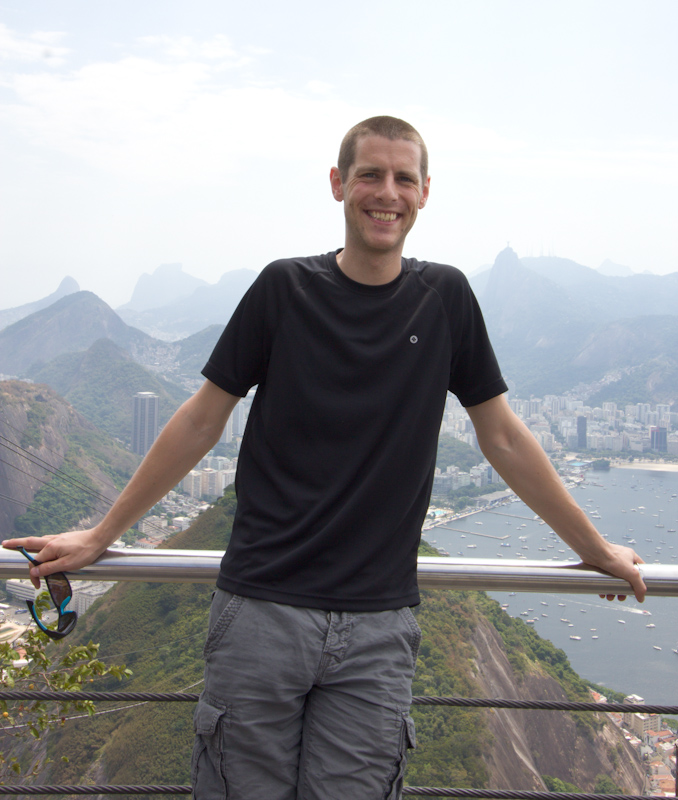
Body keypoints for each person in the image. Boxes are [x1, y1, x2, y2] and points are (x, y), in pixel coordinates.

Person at [3, 116, 646, 800]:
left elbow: (505, 438)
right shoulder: (284, 290)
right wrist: (104, 534)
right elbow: (200, 421)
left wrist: (594, 547)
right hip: (261, 610)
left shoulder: (447, 299)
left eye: (404, 178)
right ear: (339, 184)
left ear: (426, 192)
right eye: (370, 174)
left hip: (378, 625)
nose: (386, 192)